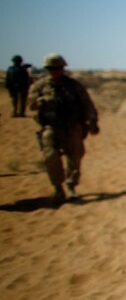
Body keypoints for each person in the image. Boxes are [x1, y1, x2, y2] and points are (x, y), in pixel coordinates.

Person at [28, 53, 100, 203]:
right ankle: (58, 188)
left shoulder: (73, 85)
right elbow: (31, 104)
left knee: (75, 158)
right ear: (47, 69)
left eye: (58, 68)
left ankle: (71, 186)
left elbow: (87, 103)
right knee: (51, 157)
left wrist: (92, 121)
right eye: (52, 68)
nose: (55, 71)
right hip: (51, 127)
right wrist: (42, 101)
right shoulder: (40, 86)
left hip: (72, 126)